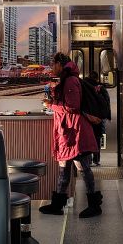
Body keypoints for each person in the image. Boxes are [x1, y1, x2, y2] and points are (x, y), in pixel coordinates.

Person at [39, 53, 101, 217]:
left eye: (53, 64)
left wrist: (51, 105)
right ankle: (57, 204)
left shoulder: (70, 81)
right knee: (64, 169)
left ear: (60, 64)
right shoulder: (67, 79)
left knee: (83, 168)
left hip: (75, 132)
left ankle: (94, 205)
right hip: (68, 131)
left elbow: (72, 107)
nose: (52, 68)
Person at [86, 72, 110, 165]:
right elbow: (106, 102)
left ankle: (88, 160)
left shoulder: (84, 87)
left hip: (87, 117)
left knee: (87, 138)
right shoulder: (101, 88)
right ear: (97, 79)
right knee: (97, 139)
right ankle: (96, 160)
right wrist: (106, 116)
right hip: (98, 118)